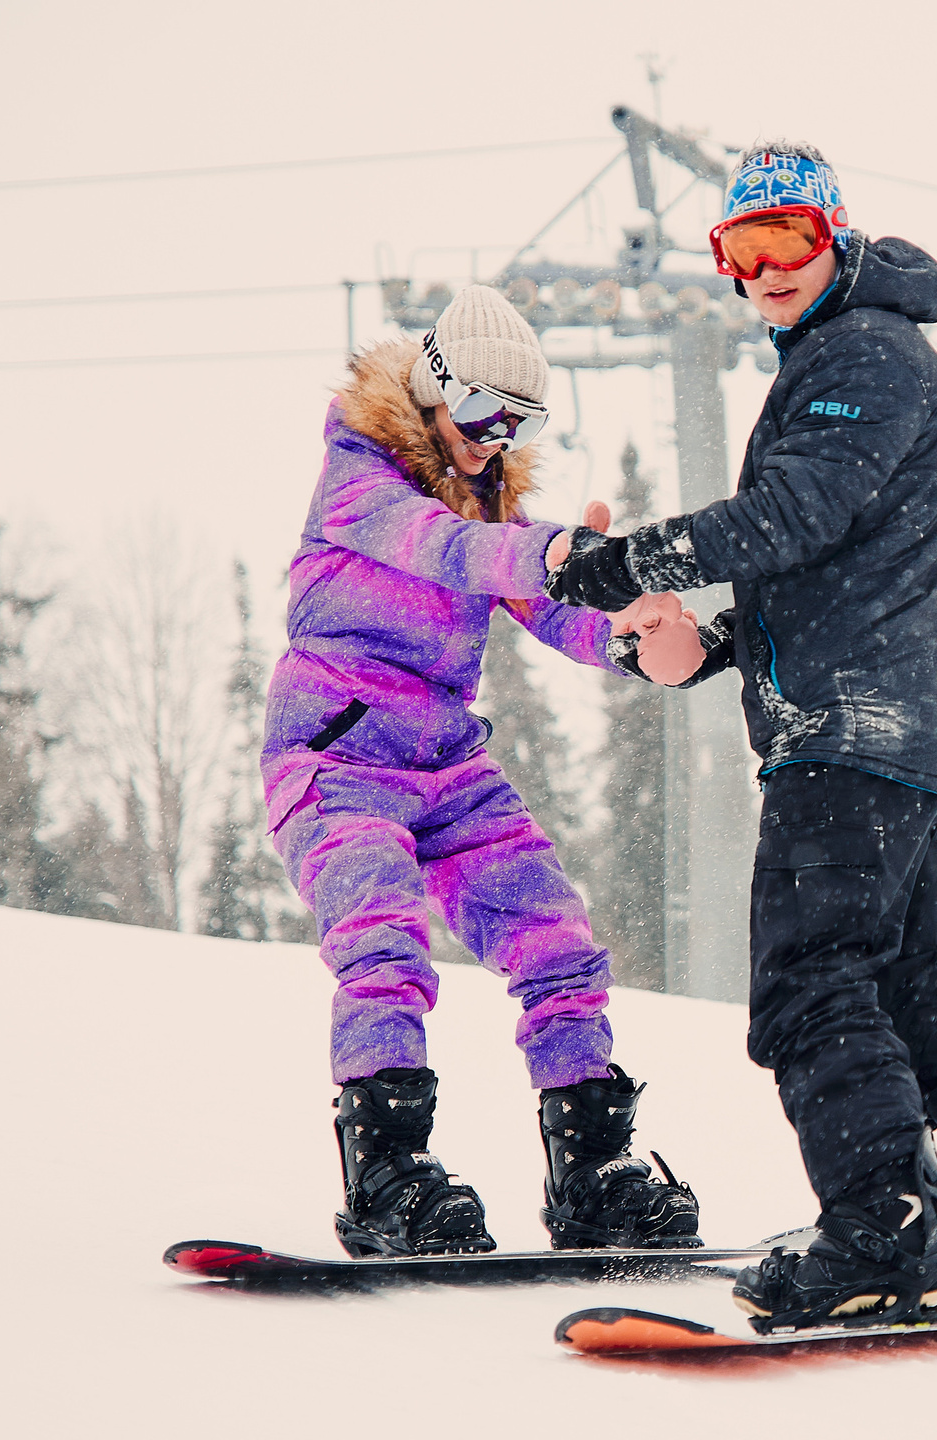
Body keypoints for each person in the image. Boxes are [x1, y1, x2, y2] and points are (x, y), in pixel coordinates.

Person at [544, 144, 937, 1330]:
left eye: (789, 243)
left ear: (835, 238)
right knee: (910, 1001)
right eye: (741, 251)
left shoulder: (864, 351)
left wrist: (623, 561)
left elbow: (792, 514)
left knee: (810, 982)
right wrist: (684, 639)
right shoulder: (841, 353)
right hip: (895, 738)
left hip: (855, 739)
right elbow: (816, 556)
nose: (766, 272)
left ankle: (886, 1225)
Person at [263, 285, 714, 1258]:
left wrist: (632, 638)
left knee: (553, 934)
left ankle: (590, 1172)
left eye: (519, 422)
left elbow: (549, 607)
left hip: (442, 760)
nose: (493, 437)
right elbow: (457, 553)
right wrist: (557, 550)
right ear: (429, 392)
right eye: (479, 412)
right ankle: (388, 1173)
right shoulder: (359, 477)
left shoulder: (490, 502)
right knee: (380, 931)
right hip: (337, 755)